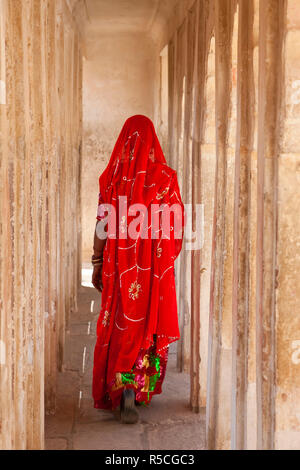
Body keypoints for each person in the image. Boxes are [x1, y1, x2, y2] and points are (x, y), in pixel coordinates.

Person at [92, 115, 184, 424]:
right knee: (148, 325)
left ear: (124, 142)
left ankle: (122, 385)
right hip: (151, 272)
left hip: (119, 271)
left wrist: (96, 260)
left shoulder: (113, 179)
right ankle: (139, 386)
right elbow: (177, 227)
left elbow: (102, 225)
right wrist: (162, 258)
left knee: (120, 323)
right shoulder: (165, 180)